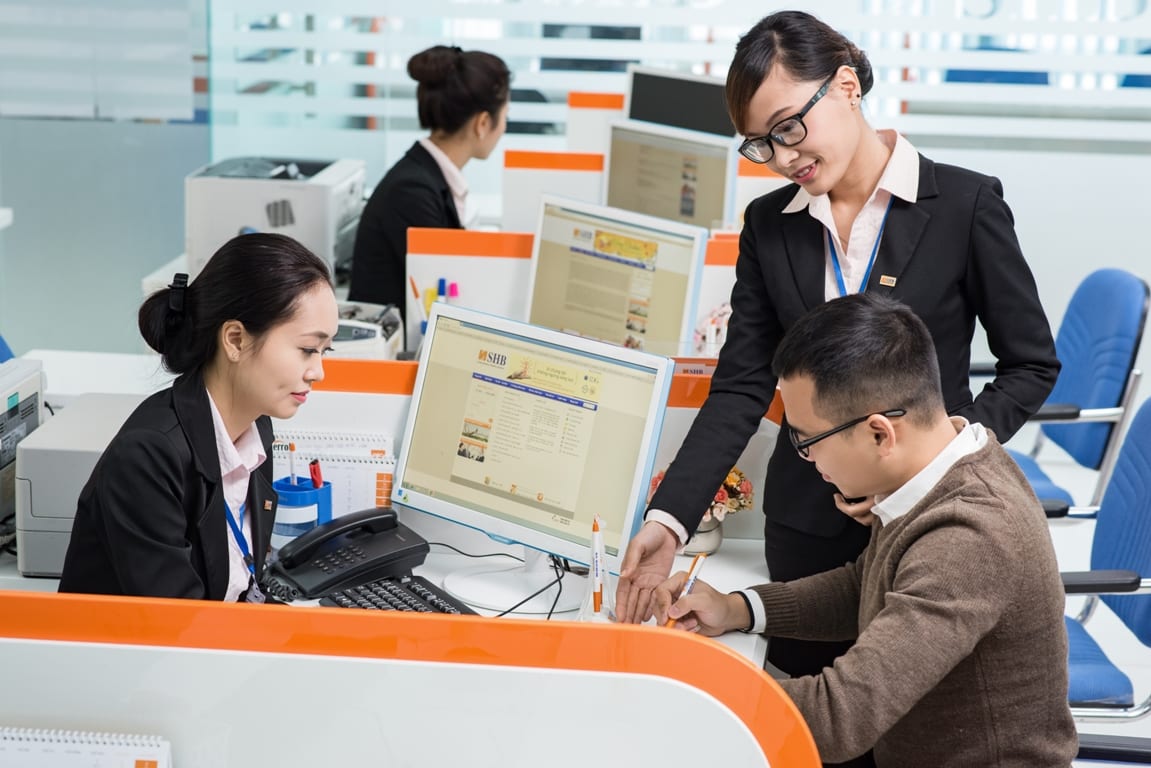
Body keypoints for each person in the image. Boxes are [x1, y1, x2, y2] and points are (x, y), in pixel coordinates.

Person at [615, 8, 1060, 723]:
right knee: (808, 729)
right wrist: (669, 521)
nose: (781, 157)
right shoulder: (770, 226)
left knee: (916, 728)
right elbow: (741, 385)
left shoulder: (964, 205)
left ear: (846, 87)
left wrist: (930, 466)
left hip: (932, 526)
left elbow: (1030, 365)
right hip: (811, 524)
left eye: (789, 127)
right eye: (760, 144)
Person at [655, 293, 1077, 767]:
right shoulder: (944, 467)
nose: (806, 458)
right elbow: (868, 585)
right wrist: (737, 608)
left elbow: (840, 717)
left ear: (880, 433)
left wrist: (686, 687)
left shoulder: (968, 537)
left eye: (807, 439)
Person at [59, 233, 338, 602]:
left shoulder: (256, 429)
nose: (318, 372)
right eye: (307, 349)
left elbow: (243, 584)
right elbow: (179, 624)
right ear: (235, 340)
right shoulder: (148, 456)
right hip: (156, 640)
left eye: (324, 350)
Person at [347, 45, 510, 321]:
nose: (504, 126)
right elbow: (441, 289)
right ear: (483, 123)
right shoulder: (412, 192)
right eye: (505, 116)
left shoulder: (428, 177)